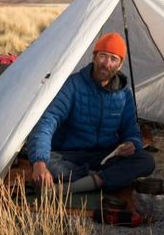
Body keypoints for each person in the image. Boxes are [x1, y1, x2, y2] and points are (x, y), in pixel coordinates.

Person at [27, 32, 155, 193]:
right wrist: (39, 162)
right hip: (69, 155)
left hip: (105, 155)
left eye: (113, 59)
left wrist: (132, 143)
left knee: (146, 161)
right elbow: (47, 122)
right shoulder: (72, 85)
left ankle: (74, 186)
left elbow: (131, 129)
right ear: (94, 57)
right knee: (49, 164)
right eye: (103, 56)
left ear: (120, 65)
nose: (106, 63)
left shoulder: (124, 94)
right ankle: (100, 178)